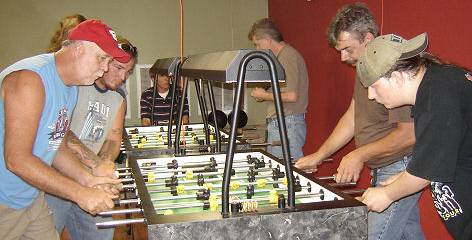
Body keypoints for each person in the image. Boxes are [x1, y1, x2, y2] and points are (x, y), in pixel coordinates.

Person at [294, 3, 424, 239]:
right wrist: (319, 155)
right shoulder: (365, 67)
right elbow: (352, 117)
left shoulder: (391, 68)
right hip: (383, 166)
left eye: (347, 49)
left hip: (399, 167)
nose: (343, 57)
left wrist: (358, 155)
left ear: (367, 38)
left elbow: (408, 135)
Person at [0, 19, 129, 239]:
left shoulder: (70, 87)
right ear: (79, 49)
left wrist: (88, 179)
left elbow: (55, 143)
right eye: (102, 58)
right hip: (4, 202)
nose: (105, 68)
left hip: (30, 197)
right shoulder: (31, 79)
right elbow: (16, 159)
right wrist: (80, 193)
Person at [356, 32, 472, 239]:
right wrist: (404, 176)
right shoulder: (437, 85)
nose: (371, 96)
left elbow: (426, 170)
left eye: (373, 86)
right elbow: (446, 154)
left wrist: (387, 194)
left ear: (397, 77)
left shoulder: (438, 93)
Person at [45, 37, 138, 240]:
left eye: (128, 72)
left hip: (92, 178)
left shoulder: (119, 97)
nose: (123, 77)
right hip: (57, 173)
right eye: (119, 68)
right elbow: (59, 131)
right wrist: (94, 161)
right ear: (104, 60)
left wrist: (104, 161)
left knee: (101, 234)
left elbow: (113, 138)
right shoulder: (77, 84)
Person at [248, 18, 309, 161]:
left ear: (268, 40)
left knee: (288, 170)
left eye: (258, 44)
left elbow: (292, 96)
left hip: (287, 123)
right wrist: (264, 94)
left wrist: (264, 94)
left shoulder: (288, 57)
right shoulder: (279, 58)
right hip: (282, 122)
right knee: (279, 169)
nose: (257, 49)